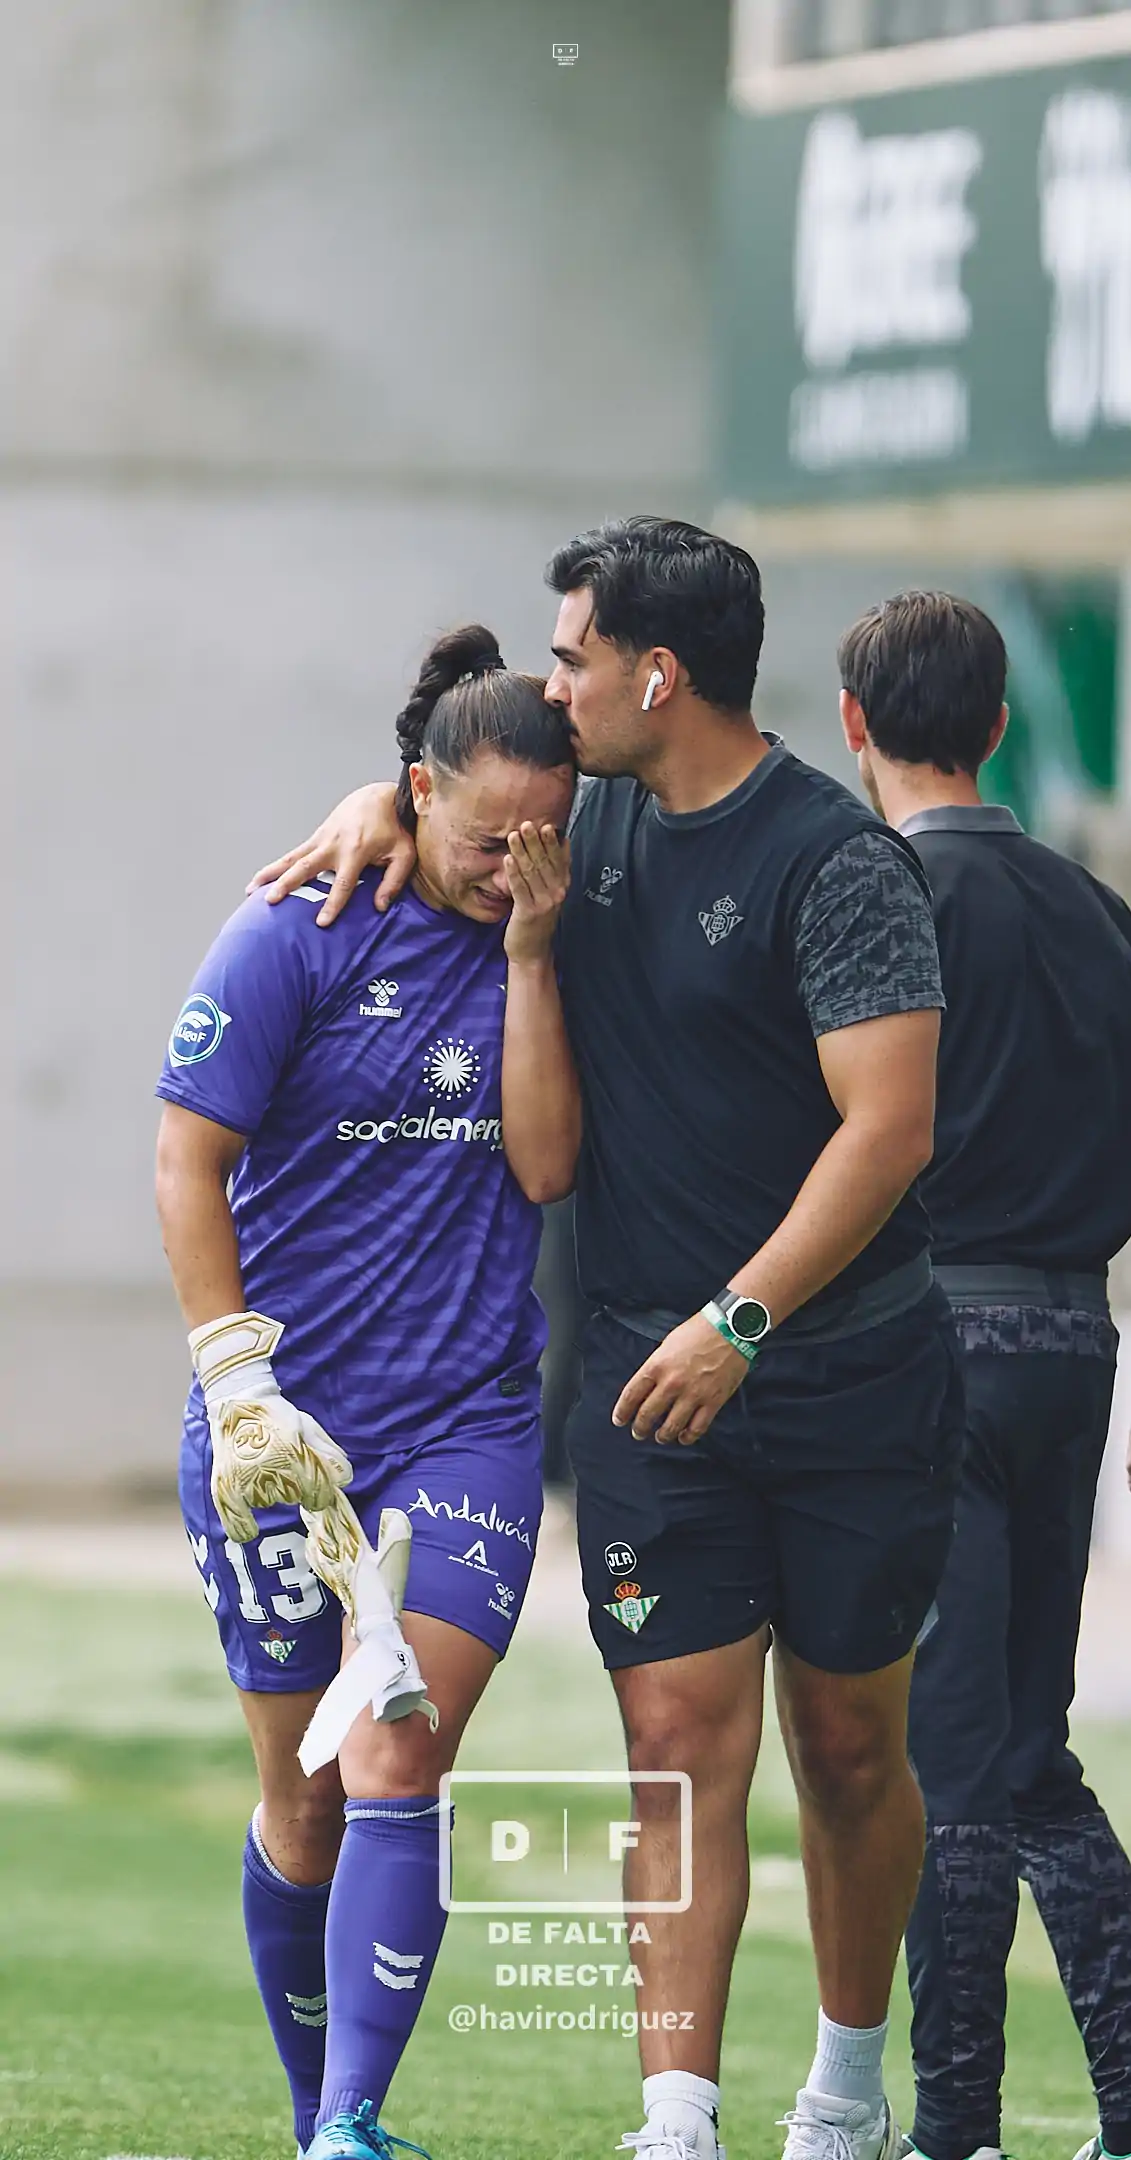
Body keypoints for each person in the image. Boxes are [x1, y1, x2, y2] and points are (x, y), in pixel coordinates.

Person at [249, 516, 966, 2160]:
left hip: (845, 1375)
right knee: (671, 1742)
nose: (550, 683)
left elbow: (888, 1130)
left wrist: (743, 1320)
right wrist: (383, 798)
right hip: (652, 1388)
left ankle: (845, 2095)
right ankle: (676, 2120)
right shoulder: (581, 831)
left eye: (570, 656)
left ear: (657, 672)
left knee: (852, 1751)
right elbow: (453, 816)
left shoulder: (836, 862)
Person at [155, 625, 577, 2160]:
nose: (507, 866)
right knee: (305, 1802)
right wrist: (234, 1378)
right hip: (280, 1431)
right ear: (413, 795)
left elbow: (544, 1168)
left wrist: (530, 952)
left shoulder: (555, 927)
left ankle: (352, 2124)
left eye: (540, 839)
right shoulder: (298, 925)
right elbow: (184, 1159)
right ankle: (306, 2109)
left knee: (393, 1740)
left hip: (465, 1418)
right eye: (481, 839)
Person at [837, 590, 1131, 2160]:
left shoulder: (873, 901)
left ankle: (951, 2130)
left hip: (922, 1351)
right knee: (1025, 1753)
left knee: (942, 1763)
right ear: (1001, 725)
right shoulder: (1099, 917)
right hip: (1072, 1343)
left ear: (852, 724)